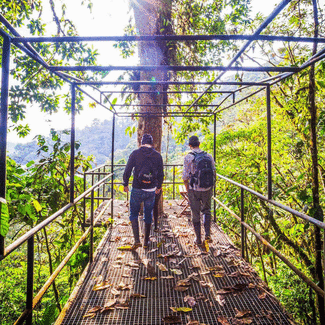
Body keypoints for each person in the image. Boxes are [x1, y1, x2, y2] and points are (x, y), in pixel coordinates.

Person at [123, 133, 164, 249]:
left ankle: (136, 240)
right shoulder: (157, 156)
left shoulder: (135, 153)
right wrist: (158, 187)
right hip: (151, 190)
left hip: (137, 187)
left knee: (133, 214)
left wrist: (125, 184)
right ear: (152, 143)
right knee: (148, 214)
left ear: (141, 143)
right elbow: (161, 173)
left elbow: (128, 170)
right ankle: (146, 242)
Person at [182, 135, 215, 247]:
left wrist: (187, 188)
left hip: (194, 188)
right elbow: (214, 172)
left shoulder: (188, 157)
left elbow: (185, 176)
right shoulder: (208, 156)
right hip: (207, 188)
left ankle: (198, 239)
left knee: (195, 213)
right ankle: (207, 234)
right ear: (199, 143)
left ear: (190, 145)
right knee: (206, 210)